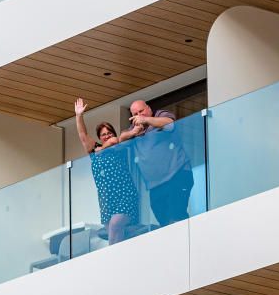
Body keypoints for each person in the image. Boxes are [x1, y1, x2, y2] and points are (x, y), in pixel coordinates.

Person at [118, 99, 193, 227]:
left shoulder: (159, 115)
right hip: (156, 185)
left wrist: (147, 120)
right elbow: (121, 140)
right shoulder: (135, 128)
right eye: (135, 113)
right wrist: (133, 132)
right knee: (164, 222)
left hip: (178, 174)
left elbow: (170, 124)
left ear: (148, 108)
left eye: (141, 111)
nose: (139, 115)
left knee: (177, 216)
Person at [74, 98, 139, 244]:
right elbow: (83, 136)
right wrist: (79, 116)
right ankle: (118, 259)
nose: (107, 136)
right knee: (113, 232)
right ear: (99, 137)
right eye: (103, 134)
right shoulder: (94, 150)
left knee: (116, 225)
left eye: (109, 132)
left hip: (125, 194)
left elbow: (115, 141)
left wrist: (103, 147)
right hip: (106, 199)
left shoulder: (116, 146)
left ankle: (114, 260)